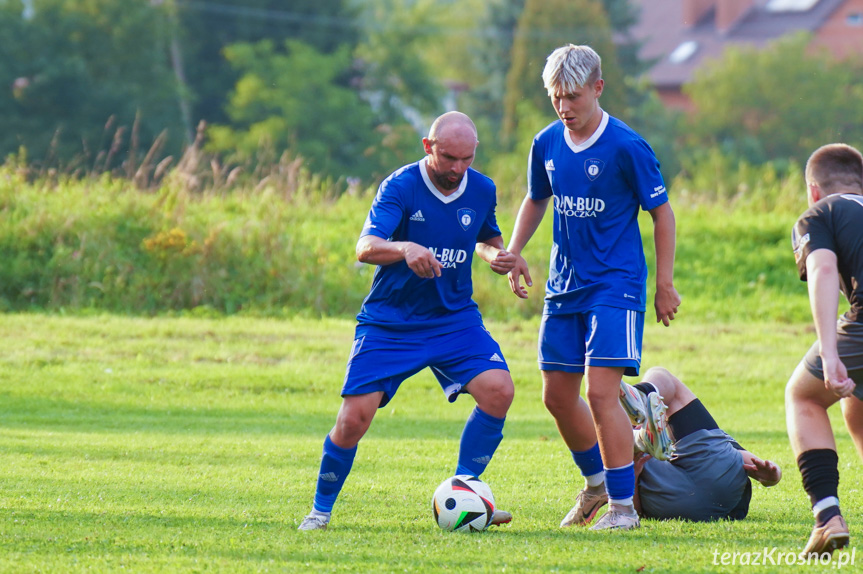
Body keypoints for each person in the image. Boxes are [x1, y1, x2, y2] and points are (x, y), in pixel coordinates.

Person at [298, 112, 517, 531]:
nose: (457, 169)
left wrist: (498, 259)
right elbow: (365, 247)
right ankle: (320, 511)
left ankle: (466, 493)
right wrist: (404, 249)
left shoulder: (483, 188)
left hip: (453, 317)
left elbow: (486, 242)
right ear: (427, 146)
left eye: (466, 159)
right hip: (391, 322)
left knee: (498, 390)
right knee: (353, 420)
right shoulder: (400, 185)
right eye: (449, 157)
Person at [505, 44, 681, 530]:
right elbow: (536, 198)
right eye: (556, 97)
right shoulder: (546, 143)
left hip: (616, 284)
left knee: (599, 390)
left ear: (598, 89)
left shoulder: (626, 145)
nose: (564, 106)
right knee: (556, 395)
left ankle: (624, 510)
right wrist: (517, 249)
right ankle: (597, 484)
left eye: (573, 96)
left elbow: (662, 213)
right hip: (564, 286)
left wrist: (664, 283)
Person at [786, 143, 863, 556]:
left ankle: (827, 516)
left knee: (803, 396)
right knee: (855, 402)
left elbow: (822, 269)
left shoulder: (821, 212)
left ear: (813, 190)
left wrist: (831, 353)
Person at [613, 367, 781, 523]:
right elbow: (755, 466)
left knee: (613, 441)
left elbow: (633, 511)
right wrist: (774, 476)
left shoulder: (611, 443)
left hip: (668, 503)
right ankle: (641, 396)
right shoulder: (709, 447)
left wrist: (631, 475)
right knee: (660, 375)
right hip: (720, 489)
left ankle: (636, 426)